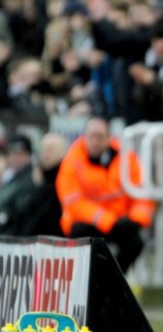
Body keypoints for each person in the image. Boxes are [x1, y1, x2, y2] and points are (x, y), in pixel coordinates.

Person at [55, 117, 155, 274]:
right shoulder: (72, 160)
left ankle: (114, 281)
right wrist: (107, 220)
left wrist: (137, 220)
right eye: (92, 137)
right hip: (85, 222)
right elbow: (73, 203)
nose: (96, 142)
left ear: (109, 138)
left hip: (117, 220)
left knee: (135, 242)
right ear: (84, 137)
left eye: (100, 137)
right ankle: (91, 281)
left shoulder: (127, 158)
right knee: (81, 236)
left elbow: (141, 194)